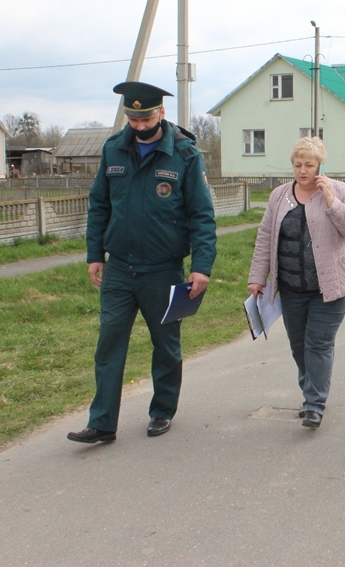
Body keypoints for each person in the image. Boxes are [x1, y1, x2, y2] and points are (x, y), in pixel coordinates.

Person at [68, 81, 217, 444]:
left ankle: (162, 411)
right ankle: (102, 422)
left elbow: (202, 215)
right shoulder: (113, 150)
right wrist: (93, 255)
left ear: (161, 113)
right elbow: (99, 205)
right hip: (119, 267)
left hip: (164, 270)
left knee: (166, 345)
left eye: (145, 117)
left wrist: (202, 266)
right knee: (109, 344)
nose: (138, 125)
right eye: (133, 118)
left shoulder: (183, 155)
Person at [248, 137, 345, 429]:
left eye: (309, 165)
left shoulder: (341, 190)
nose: (303, 171)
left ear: (320, 166)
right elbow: (265, 237)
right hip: (290, 288)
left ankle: (314, 404)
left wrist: (331, 201)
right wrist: (256, 277)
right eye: (298, 165)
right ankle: (311, 392)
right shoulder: (279, 196)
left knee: (318, 343)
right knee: (298, 346)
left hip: (331, 287)